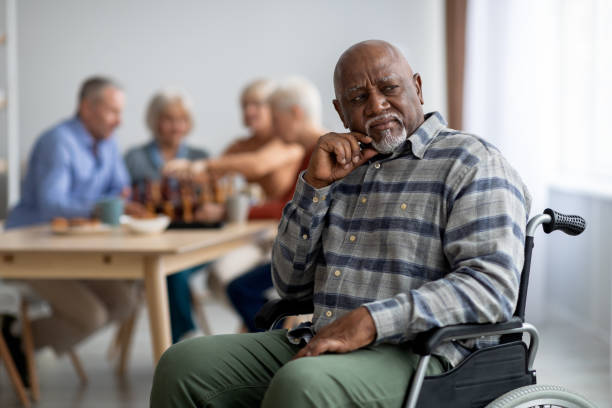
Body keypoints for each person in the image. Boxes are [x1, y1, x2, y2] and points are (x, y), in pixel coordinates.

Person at [150, 40, 531, 407]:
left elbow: (491, 287)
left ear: (417, 87)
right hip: (320, 339)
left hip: (421, 354)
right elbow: (289, 284)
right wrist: (313, 188)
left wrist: (371, 321)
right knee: (182, 365)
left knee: (302, 383)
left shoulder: (471, 161)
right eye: (358, 97)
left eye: (389, 88)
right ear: (340, 110)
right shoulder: (340, 166)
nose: (377, 104)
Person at [3, 77, 140, 369]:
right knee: (91, 315)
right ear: (87, 107)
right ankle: (13, 344)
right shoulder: (58, 141)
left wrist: (107, 204)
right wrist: (103, 206)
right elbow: (54, 205)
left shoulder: (108, 143)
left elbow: (122, 189)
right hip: (30, 250)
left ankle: (15, 340)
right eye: (112, 112)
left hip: (73, 248)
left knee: (124, 302)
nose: (119, 121)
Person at [226, 76, 325, 332]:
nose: (275, 127)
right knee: (241, 286)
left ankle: (274, 343)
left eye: (276, 118)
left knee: (240, 288)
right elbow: (289, 204)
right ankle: (277, 335)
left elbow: (287, 206)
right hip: (309, 252)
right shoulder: (311, 150)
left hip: (316, 260)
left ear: (295, 113)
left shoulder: (319, 152)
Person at [124, 88, 209, 343]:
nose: (175, 127)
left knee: (174, 267)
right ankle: (186, 339)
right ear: (154, 121)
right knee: (169, 266)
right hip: (149, 242)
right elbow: (124, 198)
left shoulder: (200, 157)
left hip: (195, 242)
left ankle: (182, 339)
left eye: (181, 120)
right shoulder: (134, 158)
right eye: (168, 119)